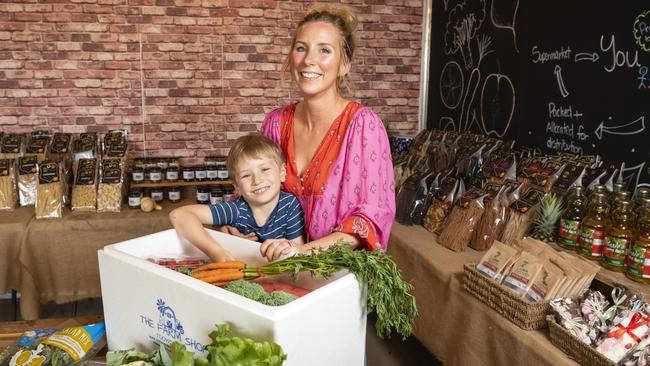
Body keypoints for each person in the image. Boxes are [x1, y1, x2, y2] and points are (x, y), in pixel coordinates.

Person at [258, 3, 396, 261]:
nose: (309, 60)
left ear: (344, 65)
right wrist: (233, 220)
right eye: (301, 48)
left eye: (324, 50)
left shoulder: (363, 125)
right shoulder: (275, 123)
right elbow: (253, 187)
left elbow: (369, 219)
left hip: (338, 275)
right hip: (277, 268)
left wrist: (301, 252)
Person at [169, 135, 305, 262]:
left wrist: (285, 246)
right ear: (237, 186)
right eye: (246, 175)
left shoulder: (290, 206)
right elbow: (179, 215)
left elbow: (298, 250)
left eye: (264, 169)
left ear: (282, 172)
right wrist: (216, 252)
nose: (257, 180)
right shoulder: (236, 209)